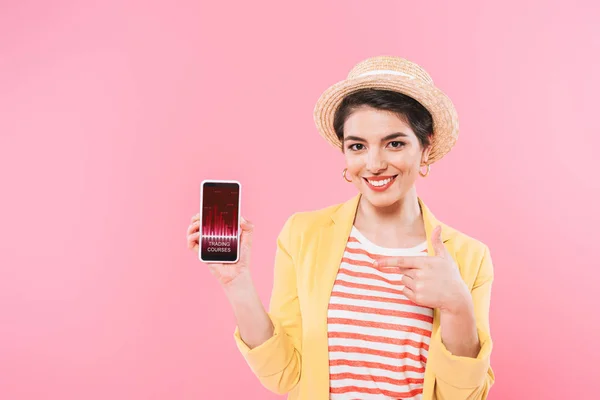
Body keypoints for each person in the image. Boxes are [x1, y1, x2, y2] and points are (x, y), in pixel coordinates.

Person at [186, 56, 495, 400]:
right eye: (357, 146)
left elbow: (464, 395)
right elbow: (286, 376)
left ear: (426, 147)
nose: (374, 164)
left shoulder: (468, 257)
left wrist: (457, 306)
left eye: (395, 143)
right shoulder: (303, 235)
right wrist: (237, 282)